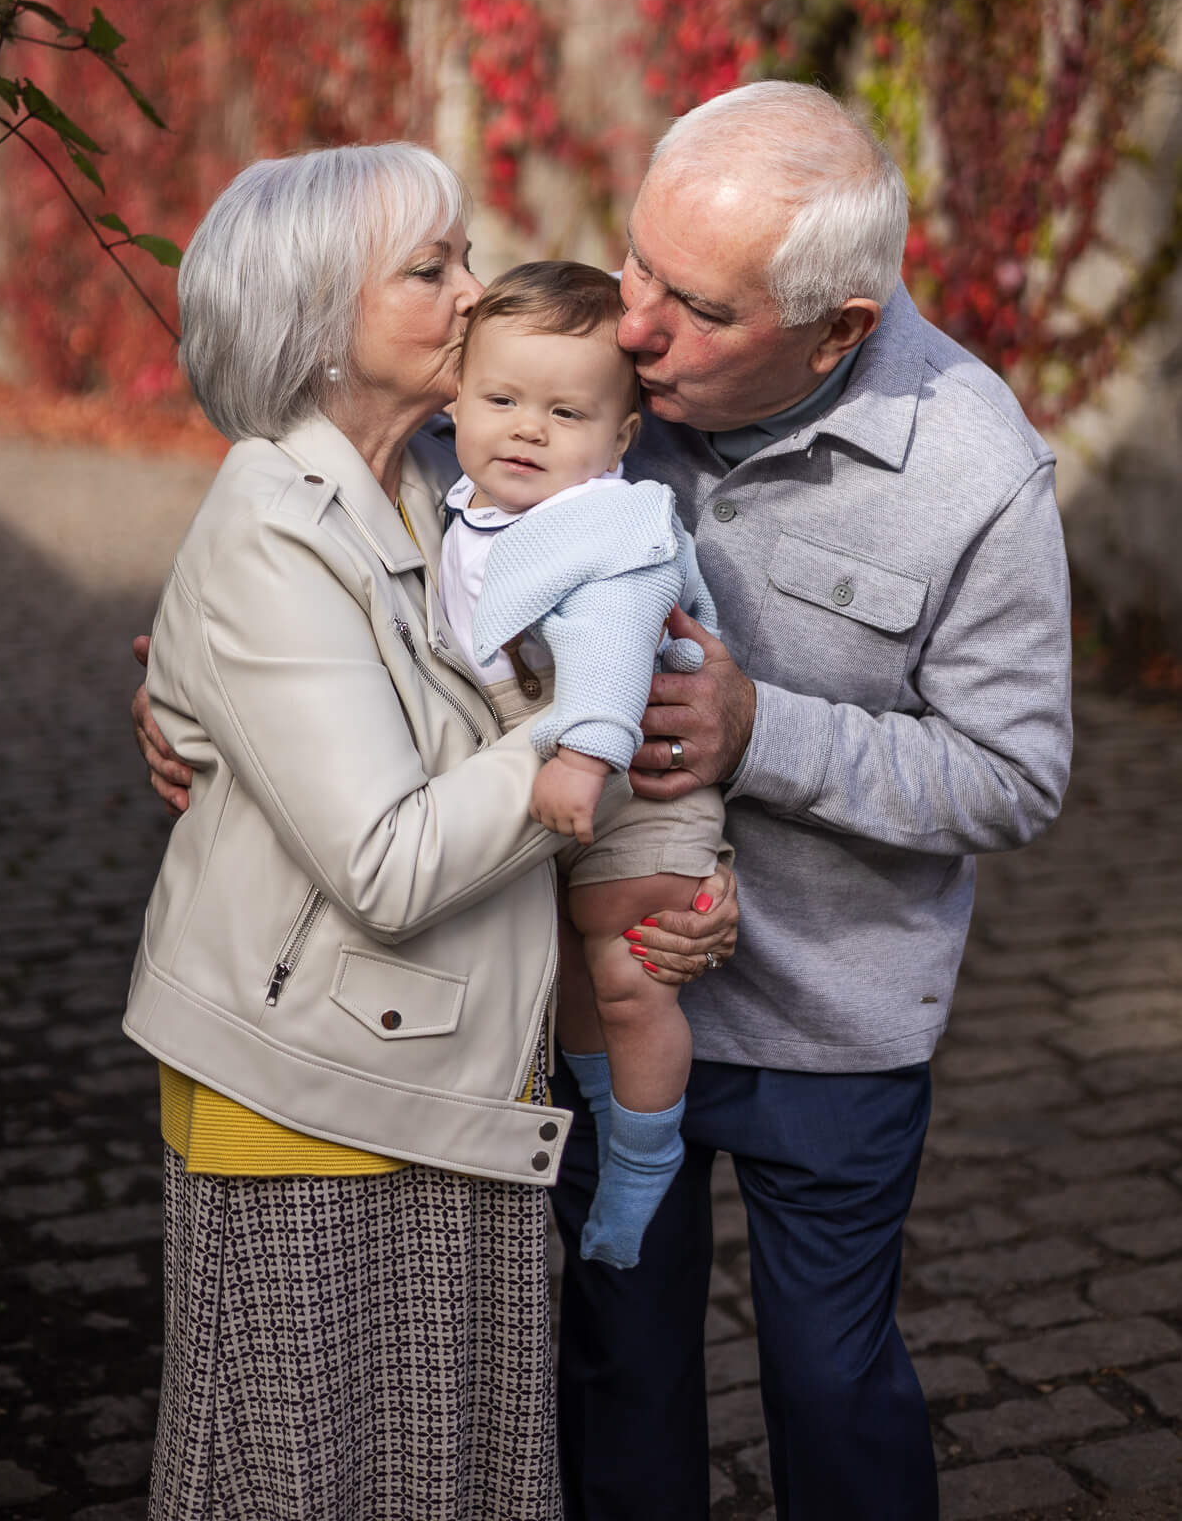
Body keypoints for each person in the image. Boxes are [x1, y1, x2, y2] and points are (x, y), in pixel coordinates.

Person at [134, 81, 1072, 1521]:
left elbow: (1012, 773)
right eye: (638, 264)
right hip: (563, 986)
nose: (636, 327)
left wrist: (759, 732)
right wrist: (191, 693)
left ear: (835, 330)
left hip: (830, 1019)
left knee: (832, 1380)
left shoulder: (975, 471)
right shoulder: (555, 374)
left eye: (694, 308)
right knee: (613, 1369)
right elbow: (341, 547)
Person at [122, 140, 737, 1521]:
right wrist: (597, 714)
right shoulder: (277, 523)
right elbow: (392, 859)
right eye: (428, 268)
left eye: (464, 257)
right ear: (314, 320)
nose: (472, 292)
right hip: (313, 1098)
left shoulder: (437, 485)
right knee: (302, 1482)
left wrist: (687, 860)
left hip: (450, 1071)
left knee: (445, 1477)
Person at [440, 258, 731, 1269]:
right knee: (565, 973)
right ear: (454, 398)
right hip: (549, 789)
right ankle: (611, 1126)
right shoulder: (463, 505)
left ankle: (645, 1163)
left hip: (628, 780)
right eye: (502, 400)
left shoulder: (608, 522)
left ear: (619, 438)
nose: (527, 429)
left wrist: (582, 752)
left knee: (629, 970)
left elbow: (611, 641)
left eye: (565, 413)